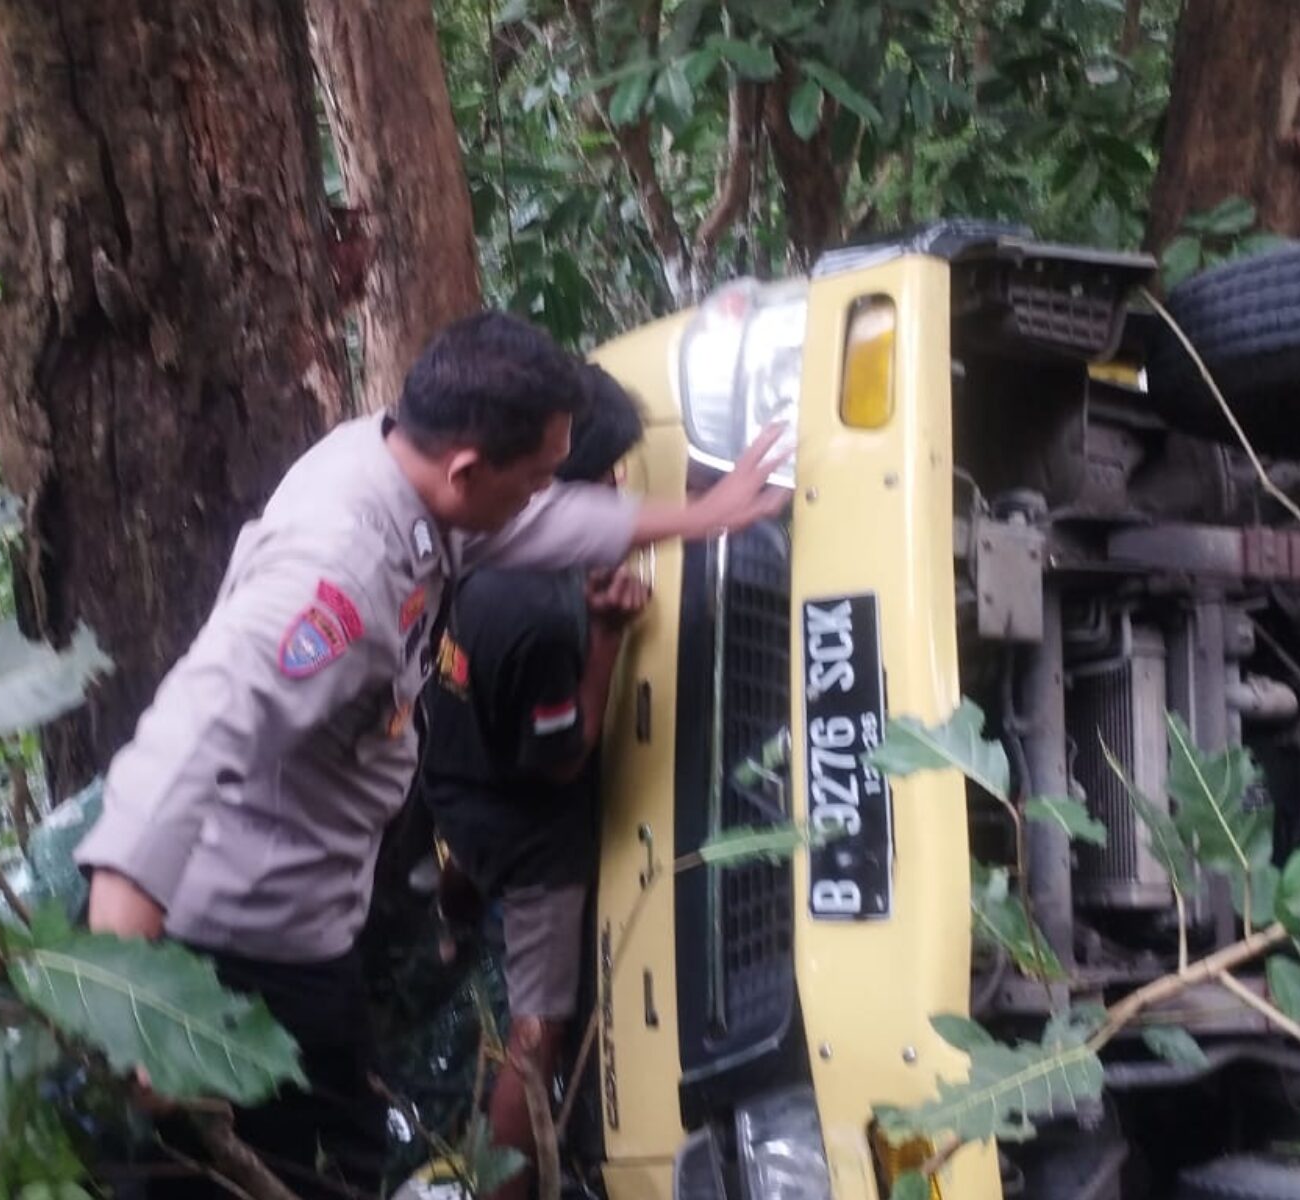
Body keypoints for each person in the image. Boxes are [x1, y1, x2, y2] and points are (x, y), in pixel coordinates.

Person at [74, 312, 787, 1198]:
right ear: (468, 469)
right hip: (231, 959)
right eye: (531, 479)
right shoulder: (331, 581)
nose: (540, 496)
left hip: (315, 926)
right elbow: (172, 759)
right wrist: (127, 1004)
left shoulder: (402, 471)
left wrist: (700, 515)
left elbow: (537, 523)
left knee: (343, 1154)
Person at [419, 365, 646, 1200]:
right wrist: (609, 638)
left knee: (464, 862)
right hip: (528, 834)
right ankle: (502, 1186)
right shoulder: (549, 620)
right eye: (608, 472)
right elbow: (568, 757)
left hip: (455, 780)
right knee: (540, 1026)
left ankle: (451, 925)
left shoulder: (476, 538)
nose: (622, 484)